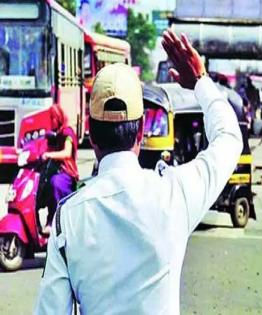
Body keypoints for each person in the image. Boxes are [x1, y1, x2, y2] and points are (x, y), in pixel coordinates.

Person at [34, 30, 242, 314]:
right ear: (142, 130)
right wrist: (201, 83)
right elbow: (229, 139)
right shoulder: (174, 193)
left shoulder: (68, 217)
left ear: (91, 135)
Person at [41, 105, 78, 234]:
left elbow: (66, 153)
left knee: (55, 182)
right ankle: (50, 218)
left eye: (53, 118)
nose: (51, 121)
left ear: (58, 117)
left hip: (67, 172)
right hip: (56, 169)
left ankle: (57, 220)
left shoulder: (67, 133)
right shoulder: (55, 134)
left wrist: (49, 155)